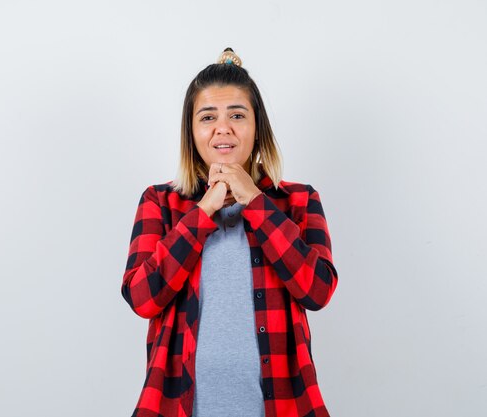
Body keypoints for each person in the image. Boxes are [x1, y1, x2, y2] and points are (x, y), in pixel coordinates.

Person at [121, 48, 339, 417]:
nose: (223, 128)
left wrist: (255, 201)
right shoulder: (160, 202)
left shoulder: (298, 201)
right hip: (177, 407)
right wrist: (204, 209)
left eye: (238, 115)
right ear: (192, 133)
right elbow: (142, 297)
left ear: (257, 128)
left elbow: (317, 291)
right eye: (208, 117)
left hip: (282, 407)